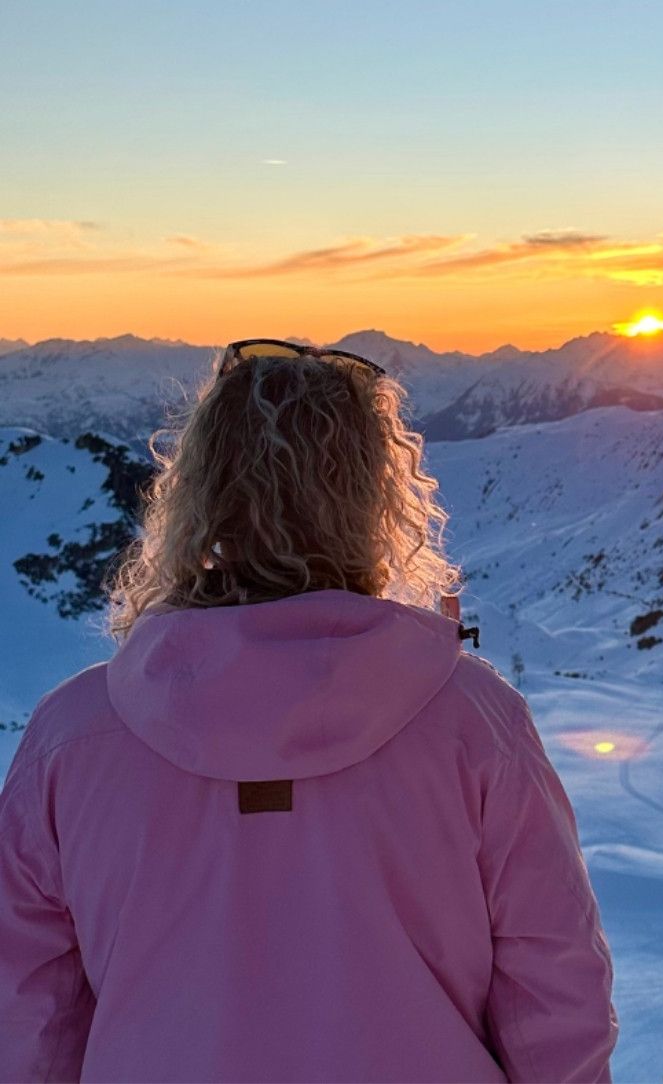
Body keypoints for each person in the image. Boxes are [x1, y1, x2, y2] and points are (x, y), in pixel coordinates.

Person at [0, 339, 617, 1083]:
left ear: (196, 494)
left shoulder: (72, 740)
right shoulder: (476, 725)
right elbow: (554, 988)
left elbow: (27, 1013)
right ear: (376, 501)